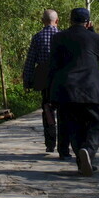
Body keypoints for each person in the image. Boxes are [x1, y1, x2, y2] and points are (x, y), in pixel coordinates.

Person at [46, 8, 99, 177]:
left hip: (66, 90)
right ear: (88, 22)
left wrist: (50, 95)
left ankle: (82, 163)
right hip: (91, 89)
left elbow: (53, 65)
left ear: (70, 20)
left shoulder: (58, 37)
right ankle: (88, 151)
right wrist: (93, 32)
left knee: (73, 127)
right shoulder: (95, 38)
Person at [22, 9, 70, 158]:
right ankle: (64, 147)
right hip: (62, 79)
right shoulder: (64, 37)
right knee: (63, 112)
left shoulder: (37, 37)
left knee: (48, 110)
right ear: (57, 20)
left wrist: (27, 81)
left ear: (43, 21)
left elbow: (30, 61)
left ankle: (50, 143)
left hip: (45, 80)